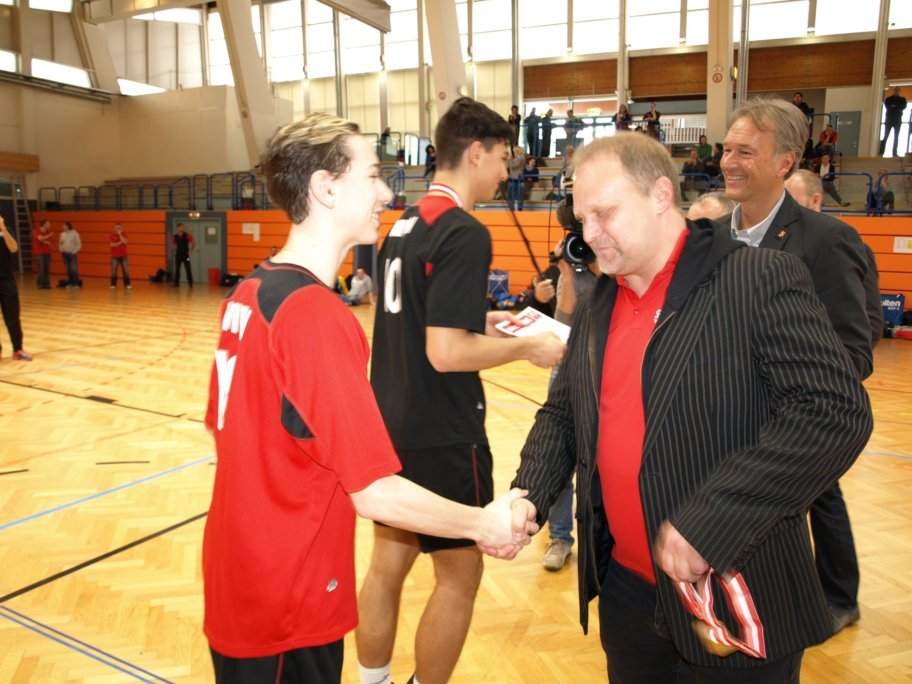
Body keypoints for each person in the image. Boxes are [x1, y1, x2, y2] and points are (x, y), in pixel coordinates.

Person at [511, 131, 872, 681]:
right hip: (627, 595)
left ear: (661, 194)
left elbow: (834, 411)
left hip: (738, 588)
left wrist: (714, 518)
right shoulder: (599, 302)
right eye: (582, 219)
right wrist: (528, 495)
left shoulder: (757, 278)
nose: (590, 234)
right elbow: (564, 414)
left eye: (605, 213)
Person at [202, 112, 535, 684]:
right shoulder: (313, 315)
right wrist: (483, 523)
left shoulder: (250, 292)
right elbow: (374, 490)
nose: (386, 193)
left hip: (242, 577)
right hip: (289, 600)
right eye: (373, 175)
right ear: (326, 188)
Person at [357, 97, 566, 684]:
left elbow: (421, 320)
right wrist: (528, 348)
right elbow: (446, 353)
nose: (505, 172)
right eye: (501, 158)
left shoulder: (404, 224)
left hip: (390, 422)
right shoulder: (463, 230)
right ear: (476, 152)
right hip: (443, 431)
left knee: (386, 566)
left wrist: (490, 322)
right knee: (459, 577)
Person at [722, 98, 877, 636]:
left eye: (745, 152)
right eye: (726, 149)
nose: (728, 162)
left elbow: (853, 351)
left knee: (815, 506)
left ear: (785, 162)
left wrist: (784, 396)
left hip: (789, 429)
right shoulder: (710, 238)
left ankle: (831, 600)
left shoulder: (828, 240)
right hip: (722, 427)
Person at [540, 238, 599, 572]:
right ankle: (560, 537)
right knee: (560, 457)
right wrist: (566, 271)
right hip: (567, 371)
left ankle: (598, 539)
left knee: (598, 464)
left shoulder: (617, 264)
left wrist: (598, 267)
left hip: (605, 372)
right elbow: (563, 326)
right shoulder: (571, 272)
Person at [786, 169, 884, 348]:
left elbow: (871, 323)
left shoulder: (849, 246)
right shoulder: (778, 244)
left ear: (815, 200)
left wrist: (829, 363)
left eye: (791, 202)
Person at [0, 216, 32, 360]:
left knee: (13, 316)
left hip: (7, 279)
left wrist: (3, 228)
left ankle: (17, 350)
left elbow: (13, 248)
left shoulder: (7, 230)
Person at [879, 86, 907, 157]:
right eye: (895, 90)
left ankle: (894, 153)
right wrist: (897, 107)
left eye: (898, 90)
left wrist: (895, 106)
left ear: (899, 91)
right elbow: (888, 107)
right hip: (889, 119)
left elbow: (903, 107)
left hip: (897, 120)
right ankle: (881, 152)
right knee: (886, 136)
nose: (896, 91)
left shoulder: (902, 99)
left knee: (896, 137)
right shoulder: (888, 99)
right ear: (893, 91)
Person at [58, 221, 81, 288]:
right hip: (64, 253)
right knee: (68, 269)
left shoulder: (75, 233)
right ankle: (70, 283)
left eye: (64, 225)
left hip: (72, 254)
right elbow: (60, 243)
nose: (63, 227)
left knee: (74, 269)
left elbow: (79, 244)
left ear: (68, 226)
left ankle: (76, 284)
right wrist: (61, 250)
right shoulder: (62, 234)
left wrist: (74, 251)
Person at [109, 223, 131, 290]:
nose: (118, 229)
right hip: (115, 256)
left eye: (119, 227)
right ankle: (113, 285)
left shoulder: (124, 235)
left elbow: (125, 242)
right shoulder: (111, 235)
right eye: (117, 227)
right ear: (114, 228)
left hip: (124, 256)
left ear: (122, 228)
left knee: (126, 271)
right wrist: (120, 242)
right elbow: (112, 245)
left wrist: (120, 235)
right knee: (114, 271)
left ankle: (127, 285)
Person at [172, 222, 194, 287]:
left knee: (188, 268)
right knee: (177, 269)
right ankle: (176, 283)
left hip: (186, 255)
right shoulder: (175, 236)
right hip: (178, 255)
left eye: (183, 227)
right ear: (178, 228)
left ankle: (190, 283)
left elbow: (193, 243)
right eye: (181, 227)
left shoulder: (187, 235)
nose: (182, 228)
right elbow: (173, 245)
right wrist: (173, 251)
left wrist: (191, 250)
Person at [33, 219, 52, 289]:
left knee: (47, 269)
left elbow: (49, 242)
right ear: (44, 224)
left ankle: (46, 283)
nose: (49, 225)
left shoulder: (48, 232)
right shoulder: (37, 231)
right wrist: (48, 236)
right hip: (39, 253)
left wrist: (43, 240)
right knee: (41, 269)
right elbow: (40, 238)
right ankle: (40, 283)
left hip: (48, 253)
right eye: (48, 224)